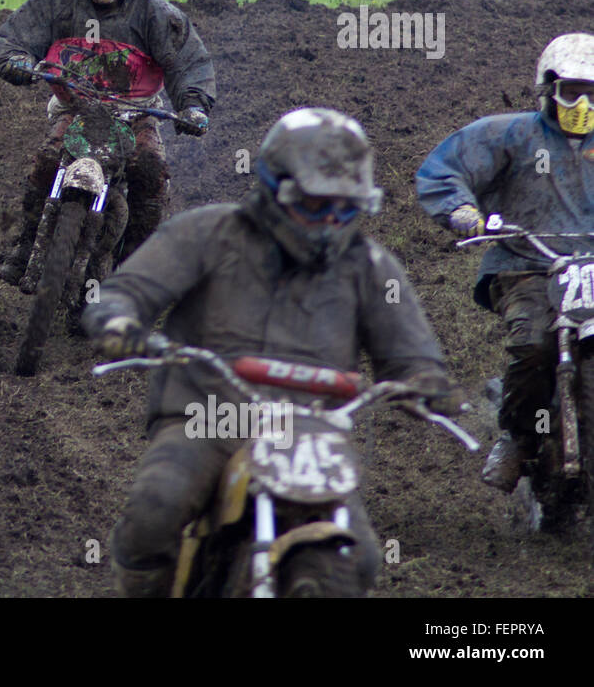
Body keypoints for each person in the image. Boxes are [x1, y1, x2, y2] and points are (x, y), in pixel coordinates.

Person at [82, 108, 463, 597]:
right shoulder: (208, 232)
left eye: (344, 208)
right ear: (273, 185)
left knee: (363, 555)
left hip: (312, 429)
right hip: (209, 415)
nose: (329, 222)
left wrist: (427, 383)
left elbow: (410, 354)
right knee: (157, 507)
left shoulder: (369, 265)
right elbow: (127, 290)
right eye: (314, 204)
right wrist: (118, 320)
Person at [0, 0, 214, 285]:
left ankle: (134, 272)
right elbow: (13, 38)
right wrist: (17, 62)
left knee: (150, 171)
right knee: (48, 161)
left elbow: (189, 63)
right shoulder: (57, 0)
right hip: (74, 107)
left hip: (136, 113)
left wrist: (193, 106)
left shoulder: (155, 14)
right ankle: (27, 243)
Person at [417, 33, 594, 492]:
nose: (583, 103)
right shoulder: (509, 134)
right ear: (548, 90)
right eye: (573, 91)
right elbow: (444, 168)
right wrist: (463, 212)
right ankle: (518, 437)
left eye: (593, 93)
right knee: (534, 345)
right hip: (526, 263)